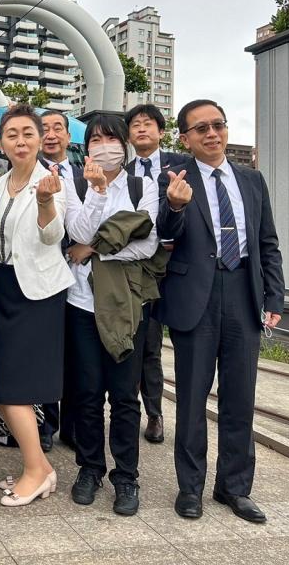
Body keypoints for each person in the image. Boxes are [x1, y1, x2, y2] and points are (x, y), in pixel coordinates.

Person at [156, 99, 284, 523]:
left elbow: (268, 243)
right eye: (201, 128)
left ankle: (234, 488)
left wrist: (275, 299)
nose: (212, 134)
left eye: (218, 125)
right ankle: (189, 489)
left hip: (244, 293)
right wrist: (174, 206)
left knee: (240, 399)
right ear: (185, 138)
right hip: (197, 294)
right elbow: (165, 233)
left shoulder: (251, 179)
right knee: (192, 398)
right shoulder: (174, 178)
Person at [0, 104, 74, 507]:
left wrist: (45, 203)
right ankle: (38, 465)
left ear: (41, 139)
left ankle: (37, 469)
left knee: (11, 387)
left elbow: (52, 236)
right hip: (3, 287)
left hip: (38, 292)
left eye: (28, 133)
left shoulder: (53, 180)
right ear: (0, 141)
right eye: (12, 134)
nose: (20, 141)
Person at [62, 114, 159, 516]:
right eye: (96, 139)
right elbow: (76, 234)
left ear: (125, 144)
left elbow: (147, 244)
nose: (104, 145)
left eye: (111, 138)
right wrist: (98, 194)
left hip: (125, 306)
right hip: (81, 302)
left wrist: (95, 250)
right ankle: (89, 467)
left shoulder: (143, 186)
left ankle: (126, 476)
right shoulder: (75, 181)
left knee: (123, 395)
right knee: (85, 393)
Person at [124, 104, 189, 445]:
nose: (142, 130)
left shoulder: (181, 166)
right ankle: (139, 410)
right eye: (135, 125)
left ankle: (156, 412)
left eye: (148, 124)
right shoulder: (122, 170)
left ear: (160, 131)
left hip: (173, 268)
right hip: (136, 268)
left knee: (154, 347)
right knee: (141, 341)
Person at [37, 111, 85, 452]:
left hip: (81, 277)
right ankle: (46, 423)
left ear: (69, 137)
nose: (51, 135)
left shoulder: (84, 176)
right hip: (44, 275)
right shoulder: (27, 173)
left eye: (58, 129)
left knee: (77, 354)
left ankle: (72, 424)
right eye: (44, 130)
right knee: (48, 352)